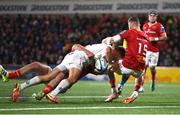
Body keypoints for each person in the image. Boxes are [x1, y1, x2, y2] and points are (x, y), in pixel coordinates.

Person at [102, 16, 149, 103]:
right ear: (139, 24)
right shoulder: (146, 36)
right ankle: (135, 91)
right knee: (138, 72)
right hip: (140, 70)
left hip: (127, 67)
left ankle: (114, 91)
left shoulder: (129, 32)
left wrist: (107, 40)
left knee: (110, 68)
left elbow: (113, 40)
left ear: (130, 25)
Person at [0, 62, 66, 102]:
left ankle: (18, 85)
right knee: (35, 65)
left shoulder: (74, 65)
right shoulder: (72, 54)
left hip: (59, 83)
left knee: (57, 76)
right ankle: (11, 78)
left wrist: (46, 92)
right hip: (54, 73)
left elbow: (65, 78)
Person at [140, 10, 167, 92]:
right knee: (143, 67)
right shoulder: (144, 26)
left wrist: (155, 39)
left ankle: (153, 80)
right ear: (148, 17)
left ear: (156, 17)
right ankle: (141, 86)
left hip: (154, 51)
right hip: (145, 50)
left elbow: (165, 37)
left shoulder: (159, 26)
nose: (152, 17)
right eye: (151, 15)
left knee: (152, 68)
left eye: (154, 16)